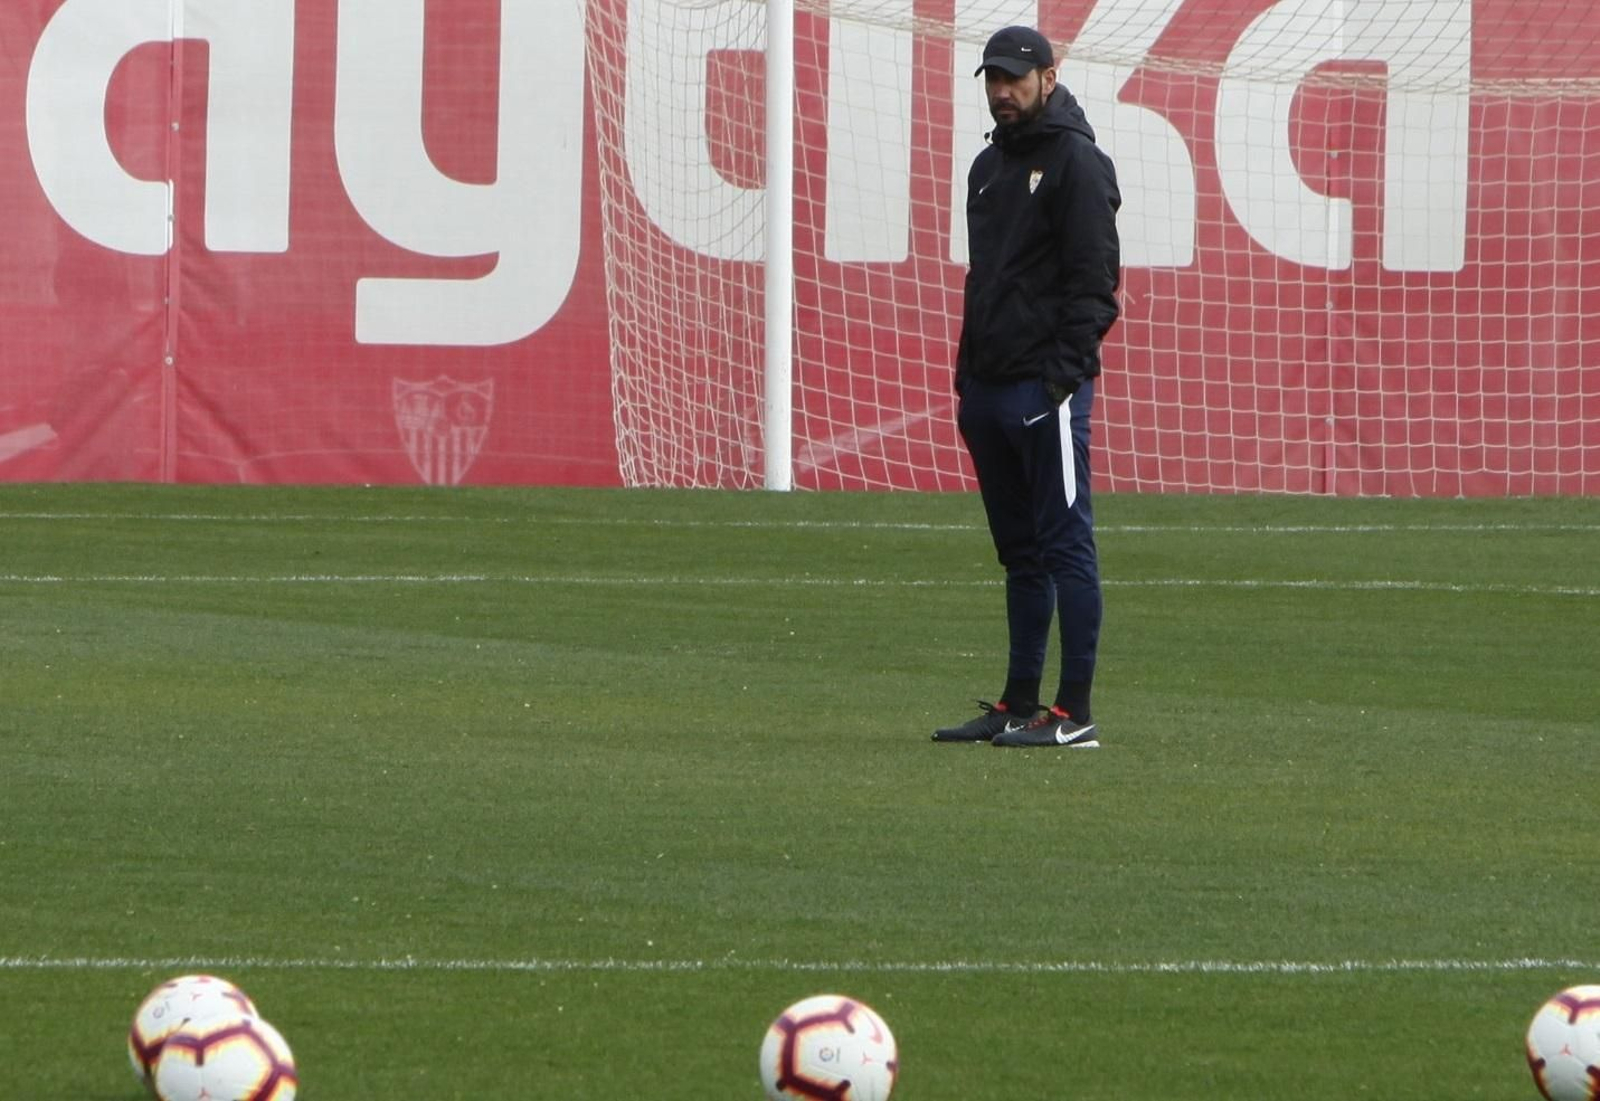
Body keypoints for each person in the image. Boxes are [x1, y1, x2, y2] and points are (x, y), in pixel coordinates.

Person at [932, 25, 1121, 749]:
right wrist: (968, 379)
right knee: (1020, 554)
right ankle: (1018, 702)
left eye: (1015, 77)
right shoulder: (987, 167)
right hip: (989, 389)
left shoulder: (1078, 162)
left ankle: (1074, 714)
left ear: (1049, 76)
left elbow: (1094, 286)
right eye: (993, 79)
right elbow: (986, 280)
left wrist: (1057, 383)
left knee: (1066, 547)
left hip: (1045, 392)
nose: (1002, 91)